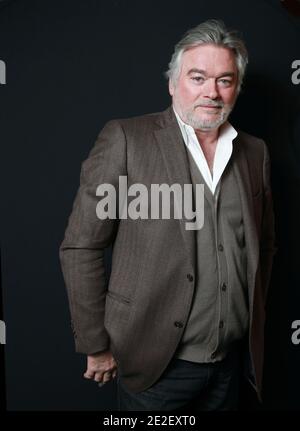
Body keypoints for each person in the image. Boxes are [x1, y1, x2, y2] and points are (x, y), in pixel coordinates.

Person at [59, 19, 276, 411]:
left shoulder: (254, 152)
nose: (212, 92)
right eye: (198, 77)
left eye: (225, 80)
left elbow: (266, 244)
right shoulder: (128, 139)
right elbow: (81, 247)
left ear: (236, 89)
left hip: (231, 363)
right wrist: (95, 344)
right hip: (155, 367)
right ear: (173, 83)